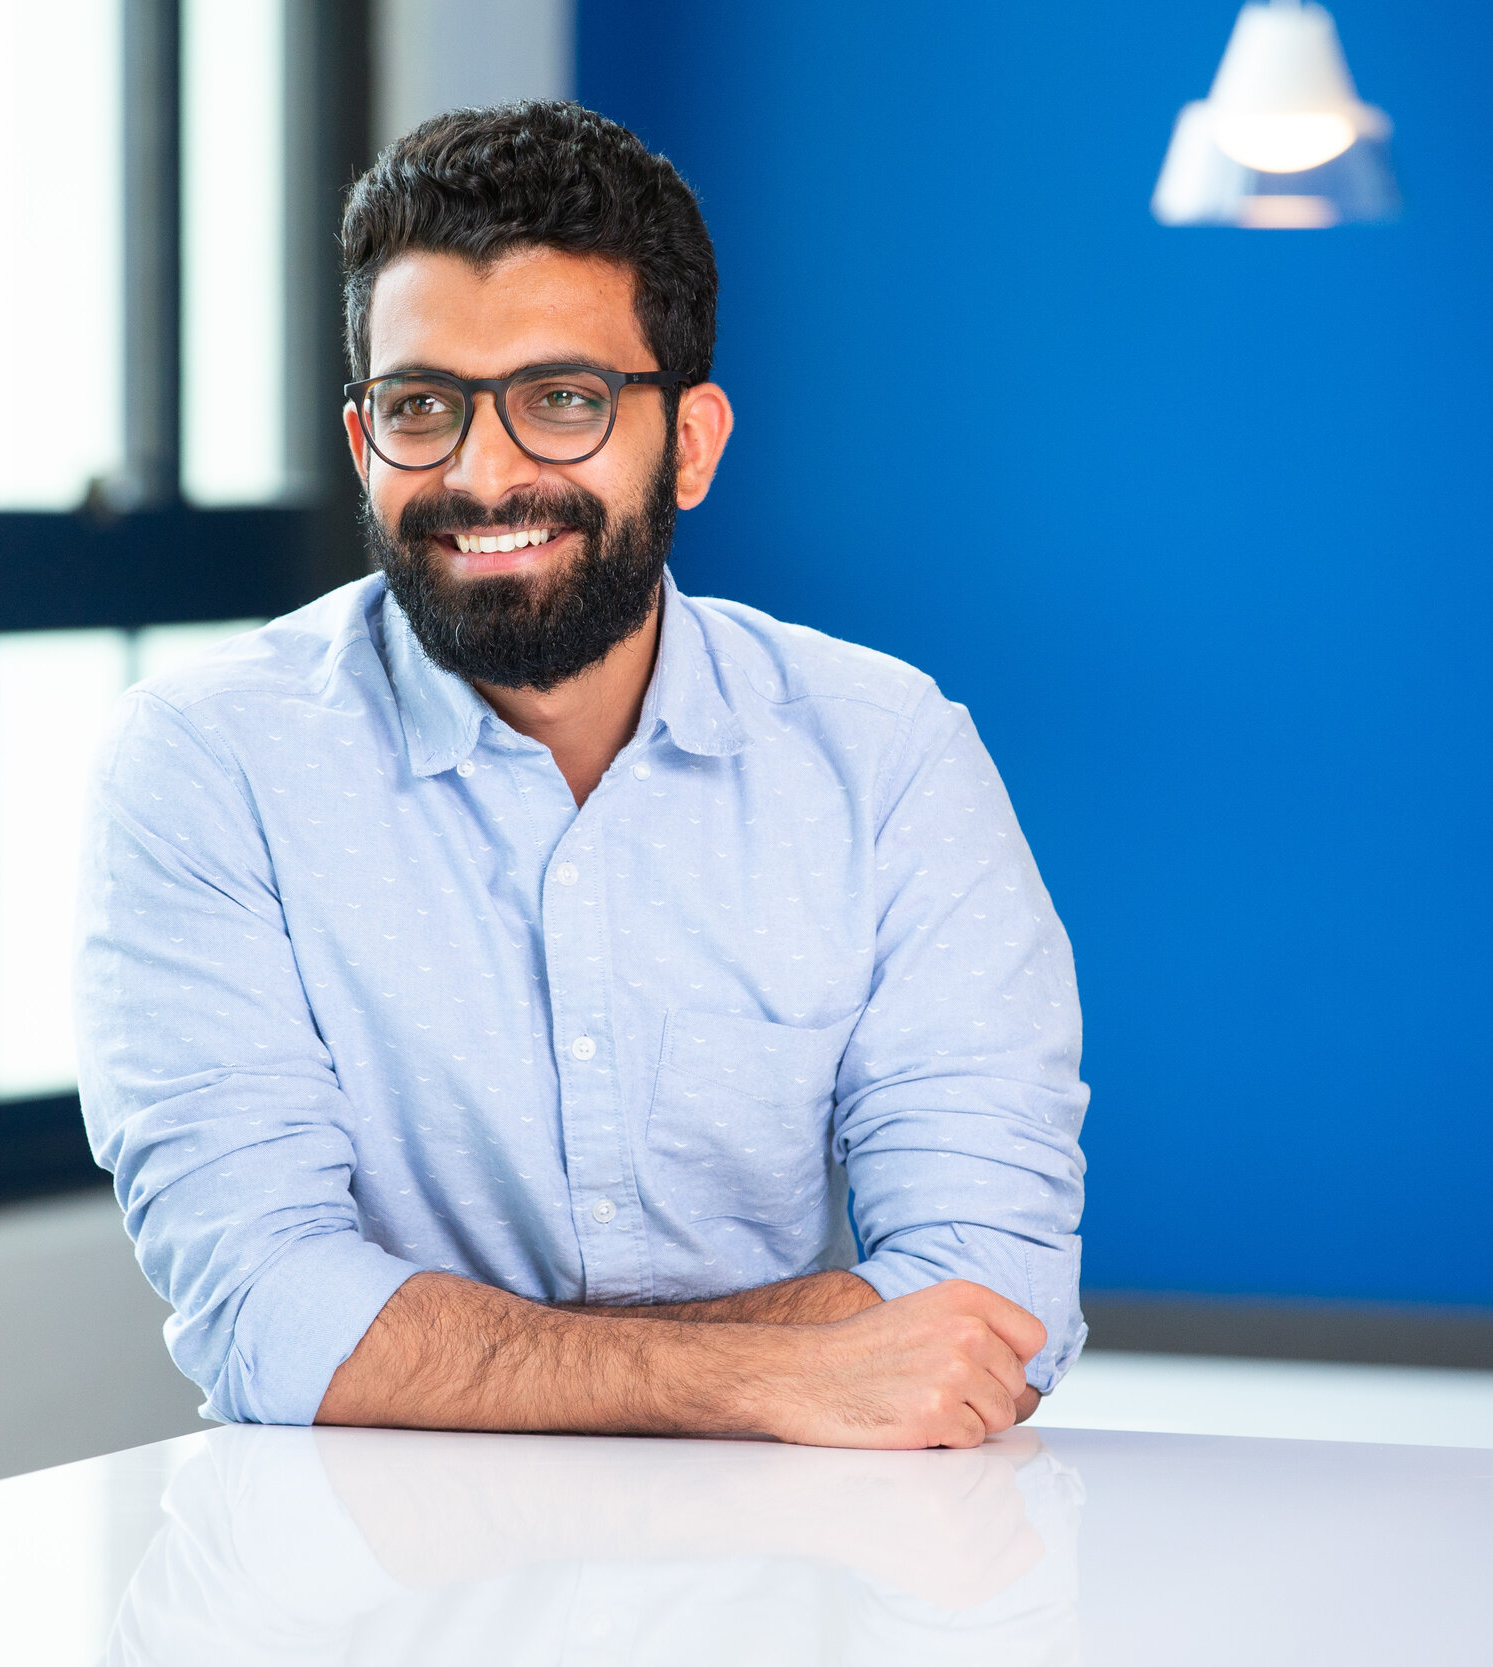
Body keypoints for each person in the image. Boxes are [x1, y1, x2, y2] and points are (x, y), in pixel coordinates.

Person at [74, 101, 1087, 1449]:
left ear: (694, 441)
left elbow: (992, 1301)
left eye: (564, 401)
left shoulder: (887, 758)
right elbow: (266, 1311)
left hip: (789, 1585)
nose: (484, 475)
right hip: (356, 1602)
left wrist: (456, 1355)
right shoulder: (208, 768)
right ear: (364, 440)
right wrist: (771, 1373)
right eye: (422, 406)